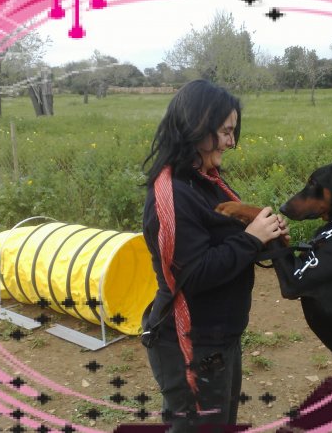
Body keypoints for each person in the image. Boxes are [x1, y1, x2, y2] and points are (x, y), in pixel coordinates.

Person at [141, 79, 288, 431]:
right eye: (225, 131)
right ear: (197, 127)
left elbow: (223, 245)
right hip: (190, 342)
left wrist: (263, 234)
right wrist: (251, 239)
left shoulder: (204, 182)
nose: (231, 142)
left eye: (233, 131)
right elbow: (192, 274)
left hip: (219, 336)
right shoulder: (172, 194)